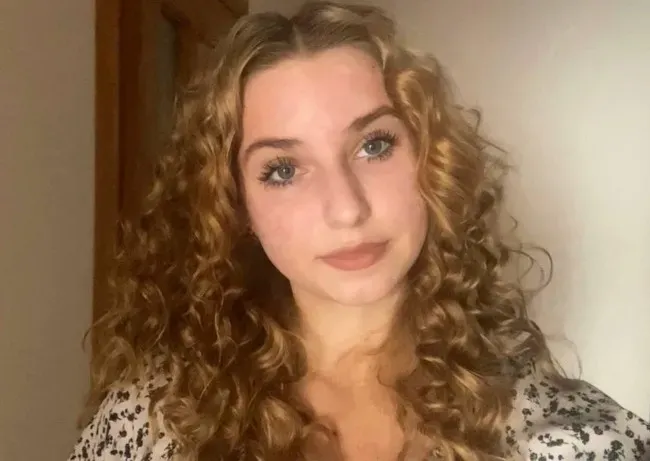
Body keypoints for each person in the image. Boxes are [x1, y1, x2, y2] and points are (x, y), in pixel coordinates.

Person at [68, 2, 650, 460]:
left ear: (432, 160)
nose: (346, 209)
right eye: (283, 169)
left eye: (374, 145)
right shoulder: (154, 425)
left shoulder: (572, 441)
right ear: (236, 206)